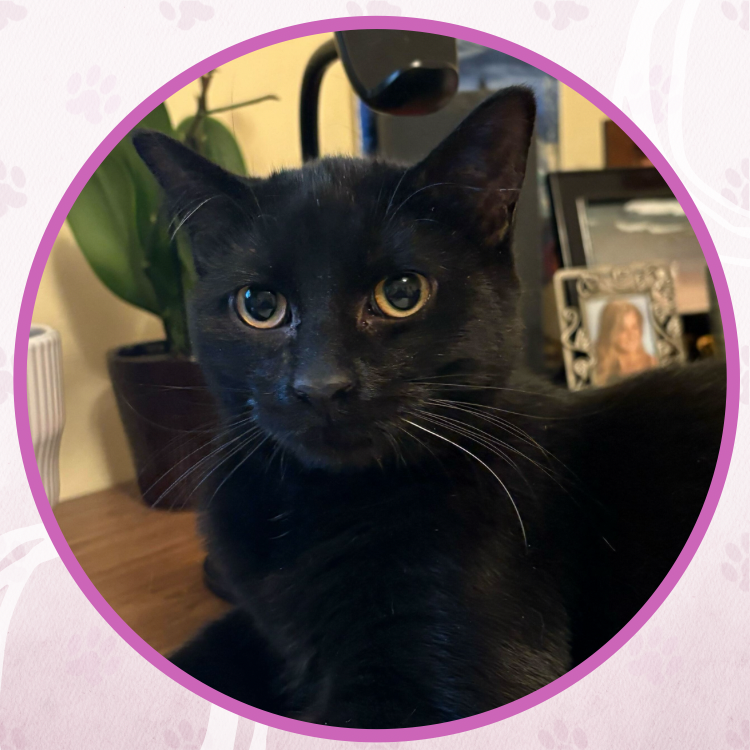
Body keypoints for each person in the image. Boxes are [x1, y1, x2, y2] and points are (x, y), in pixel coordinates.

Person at [592, 299, 658, 387]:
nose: (631, 335)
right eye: (622, 329)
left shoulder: (652, 363)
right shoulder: (598, 369)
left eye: (634, 327)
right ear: (610, 332)